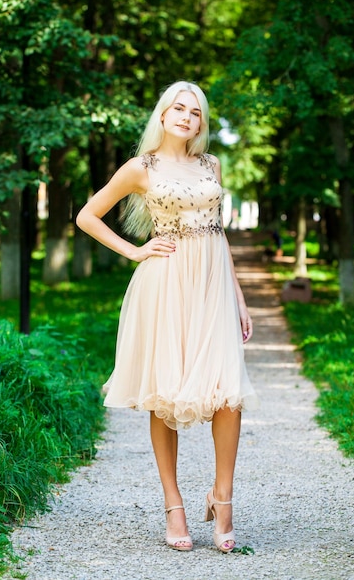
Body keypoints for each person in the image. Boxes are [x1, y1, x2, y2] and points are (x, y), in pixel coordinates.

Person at [76, 81, 257, 553]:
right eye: (178, 108)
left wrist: (237, 295)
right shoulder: (141, 167)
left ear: (201, 123)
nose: (185, 117)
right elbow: (87, 216)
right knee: (165, 394)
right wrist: (135, 251)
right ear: (163, 114)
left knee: (227, 392)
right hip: (167, 284)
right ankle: (173, 505)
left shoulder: (210, 165)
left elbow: (219, 234)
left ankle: (223, 498)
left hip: (212, 286)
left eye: (195, 113)